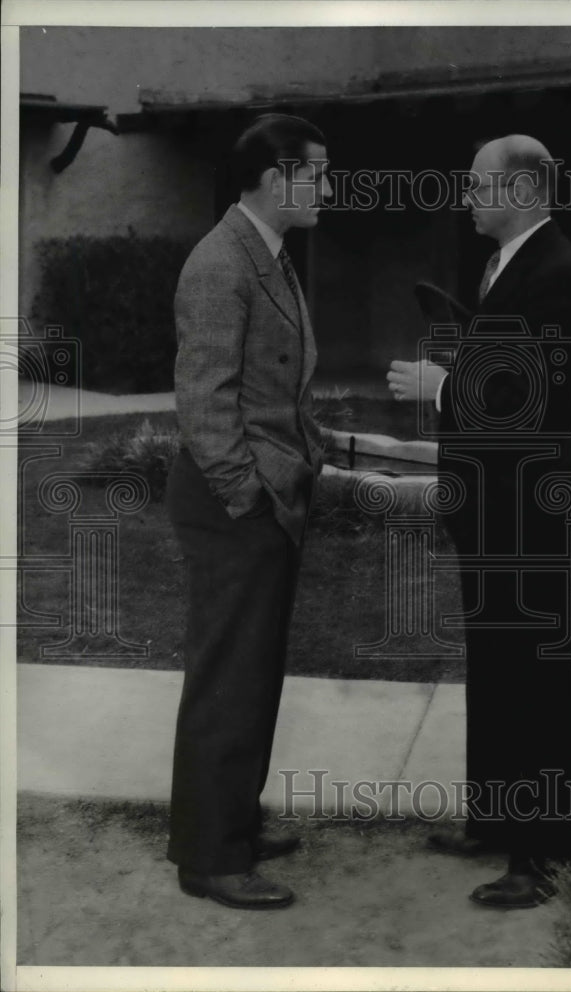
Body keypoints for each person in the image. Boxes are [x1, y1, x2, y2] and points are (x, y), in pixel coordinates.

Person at [388, 135, 571, 909]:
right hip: (493, 507)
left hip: (522, 510)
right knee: (496, 663)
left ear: (517, 189)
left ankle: (545, 852)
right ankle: (495, 816)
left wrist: (445, 384)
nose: (467, 196)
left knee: (533, 675)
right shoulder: (514, 264)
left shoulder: (558, 274)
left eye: (477, 184)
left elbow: (535, 400)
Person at [166, 114, 331, 909]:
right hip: (234, 500)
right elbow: (204, 403)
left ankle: (233, 822)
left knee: (252, 675)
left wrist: (315, 445)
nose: (327, 190)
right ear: (277, 180)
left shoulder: (268, 254)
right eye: (319, 175)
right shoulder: (219, 262)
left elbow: (274, 390)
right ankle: (210, 856)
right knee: (228, 679)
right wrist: (248, 498)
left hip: (265, 494)